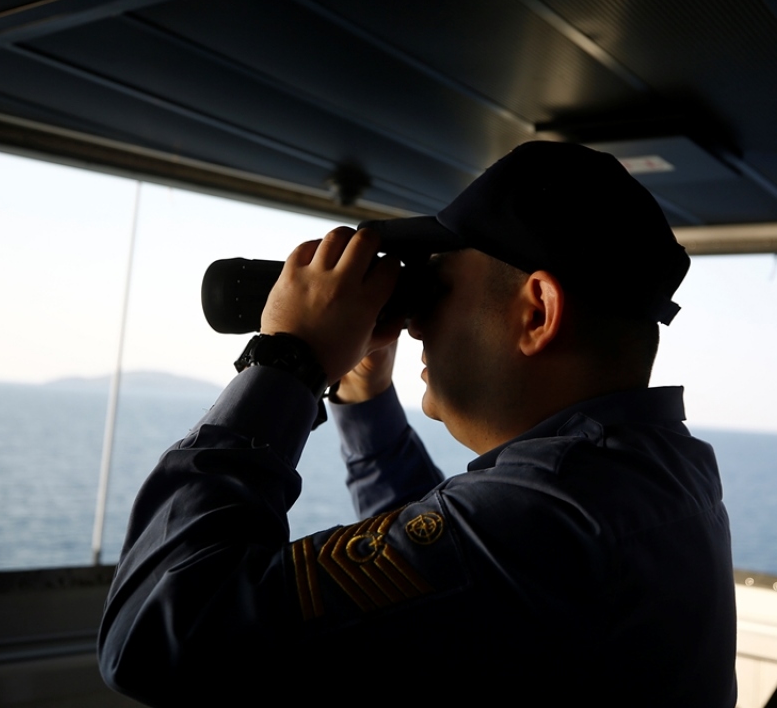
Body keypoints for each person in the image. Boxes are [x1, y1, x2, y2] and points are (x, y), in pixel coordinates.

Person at [98, 141, 736, 703]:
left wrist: (286, 364)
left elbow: (157, 635)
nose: (415, 320)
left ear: (537, 312)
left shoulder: (553, 518)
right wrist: (363, 396)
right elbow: (445, 567)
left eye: (436, 287)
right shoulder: (654, 472)